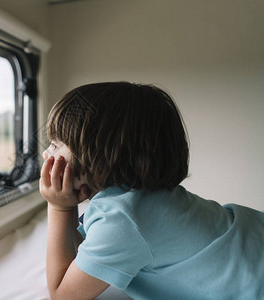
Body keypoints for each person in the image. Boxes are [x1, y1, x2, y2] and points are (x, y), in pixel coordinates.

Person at [39, 82, 263, 300]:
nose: (46, 154)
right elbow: (86, 258)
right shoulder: (138, 200)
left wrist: (59, 207)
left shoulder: (121, 219)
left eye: (56, 144)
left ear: (101, 158)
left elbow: (63, 294)